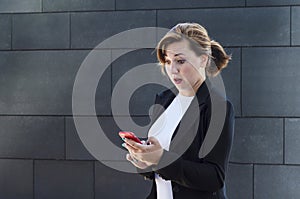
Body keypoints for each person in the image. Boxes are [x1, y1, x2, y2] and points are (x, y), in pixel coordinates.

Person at [122, 22, 235, 199]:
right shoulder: (164, 99)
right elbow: (161, 169)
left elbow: (214, 177)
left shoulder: (218, 107)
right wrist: (145, 162)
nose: (172, 70)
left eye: (180, 61)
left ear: (203, 59)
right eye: (167, 61)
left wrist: (161, 159)